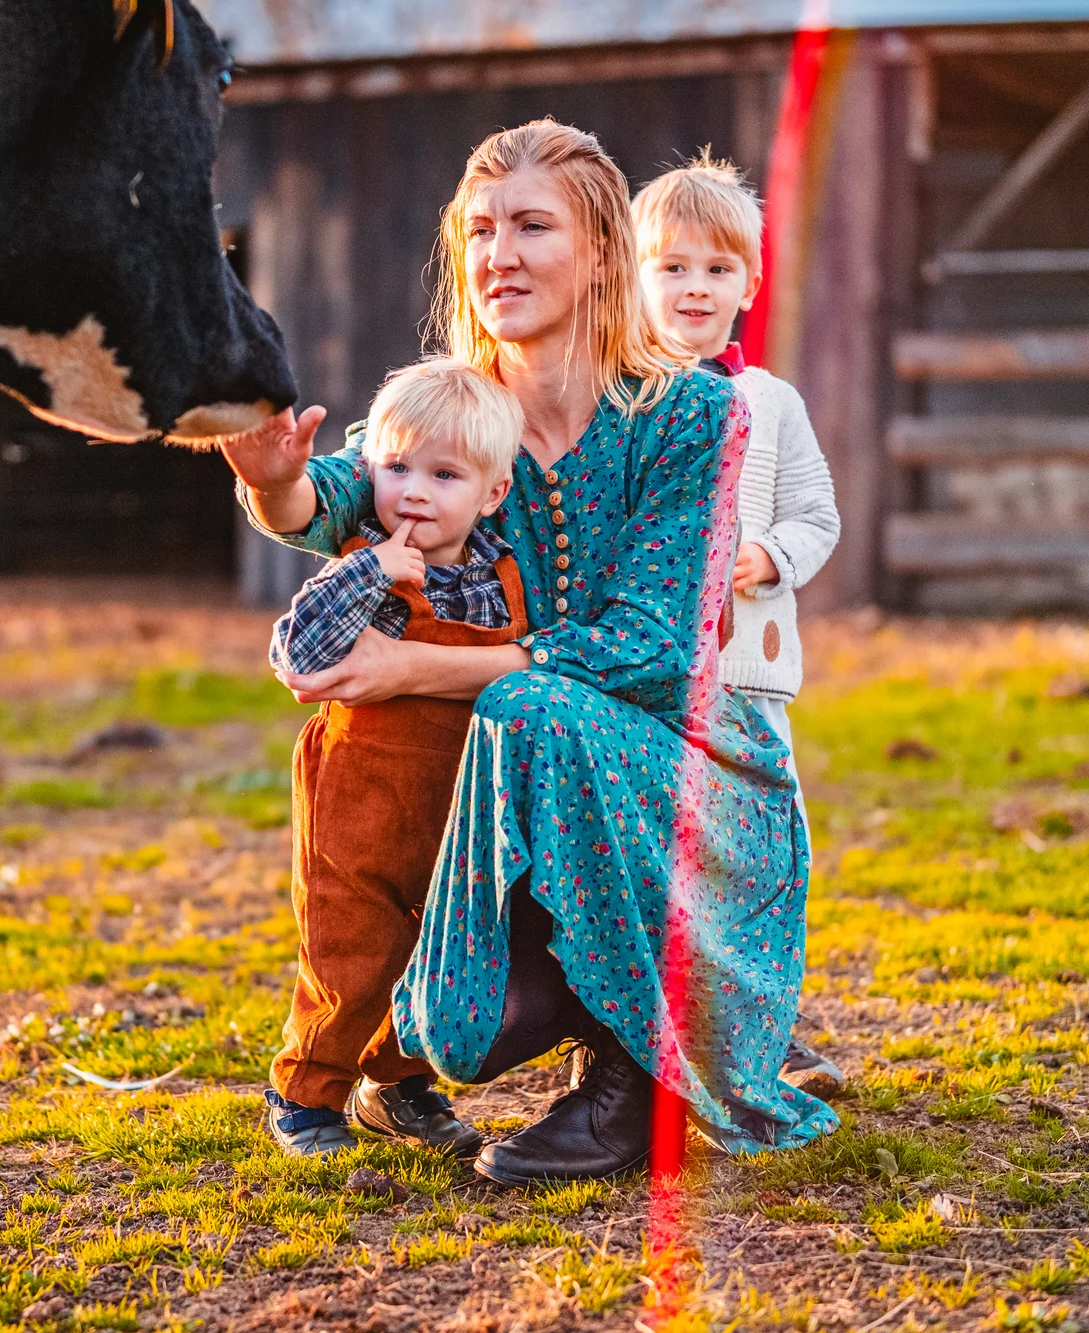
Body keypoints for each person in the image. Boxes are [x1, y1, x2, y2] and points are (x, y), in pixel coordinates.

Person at [223, 119, 838, 1185]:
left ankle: (627, 1084)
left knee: (531, 709)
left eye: (531, 227)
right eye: (479, 230)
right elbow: (331, 494)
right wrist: (273, 481)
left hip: (696, 781)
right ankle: (515, 1036)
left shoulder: (692, 413)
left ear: (600, 252)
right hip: (511, 799)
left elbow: (651, 651)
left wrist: (415, 670)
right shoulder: (456, 409)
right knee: (454, 1026)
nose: (497, 254)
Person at [262, 358, 528, 1158]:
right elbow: (296, 652)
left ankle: (397, 1085)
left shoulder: (502, 577)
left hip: (456, 805)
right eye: (396, 466)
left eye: (444, 475)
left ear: (492, 493)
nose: (414, 491)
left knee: (434, 948)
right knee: (350, 949)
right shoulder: (361, 565)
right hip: (360, 799)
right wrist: (370, 570)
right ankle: (305, 1093)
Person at [631, 153, 845, 1100]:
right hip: (649, 683)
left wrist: (773, 554)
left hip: (748, 677)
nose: (695, 287)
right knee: (671, 856)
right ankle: (657, 1032)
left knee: (762, 853)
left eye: (718, 268)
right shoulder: (623, 399)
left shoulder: (772, 403)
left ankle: (768, 1033)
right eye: (673, 266)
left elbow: (817, 513)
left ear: (749, 285)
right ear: (637, 278)